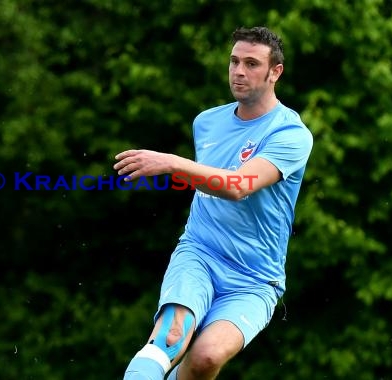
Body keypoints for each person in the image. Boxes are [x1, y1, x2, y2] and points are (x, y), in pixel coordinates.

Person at [113, 26, 313, 380]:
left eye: (252, 63)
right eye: (234, 61)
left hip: (255, 277)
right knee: (171, 336)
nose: (239, 71)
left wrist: (173, 162)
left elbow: (239, 186)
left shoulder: (291, 135)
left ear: (275, 72)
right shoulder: (206, 122)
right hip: (200, 252)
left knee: (207, 356)